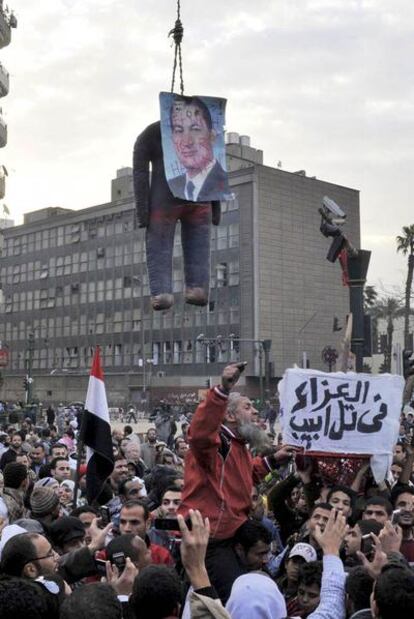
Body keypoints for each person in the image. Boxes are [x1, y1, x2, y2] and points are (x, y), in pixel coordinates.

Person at [178, 362, 297, 602]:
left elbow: (245, 475)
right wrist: (222, 389)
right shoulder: (215, 444)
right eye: (248, 406)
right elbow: (199, 433)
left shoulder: (239, 446)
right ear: (230, 415)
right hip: (211, 543)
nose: (255, 412)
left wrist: (273, 460)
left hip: (232, 537)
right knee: (235, 600)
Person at [168, 96, 228, 203]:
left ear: (212, 136)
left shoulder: (221, 185)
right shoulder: (172, 186)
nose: (187, 142)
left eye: (195, 129)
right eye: (179, 130)